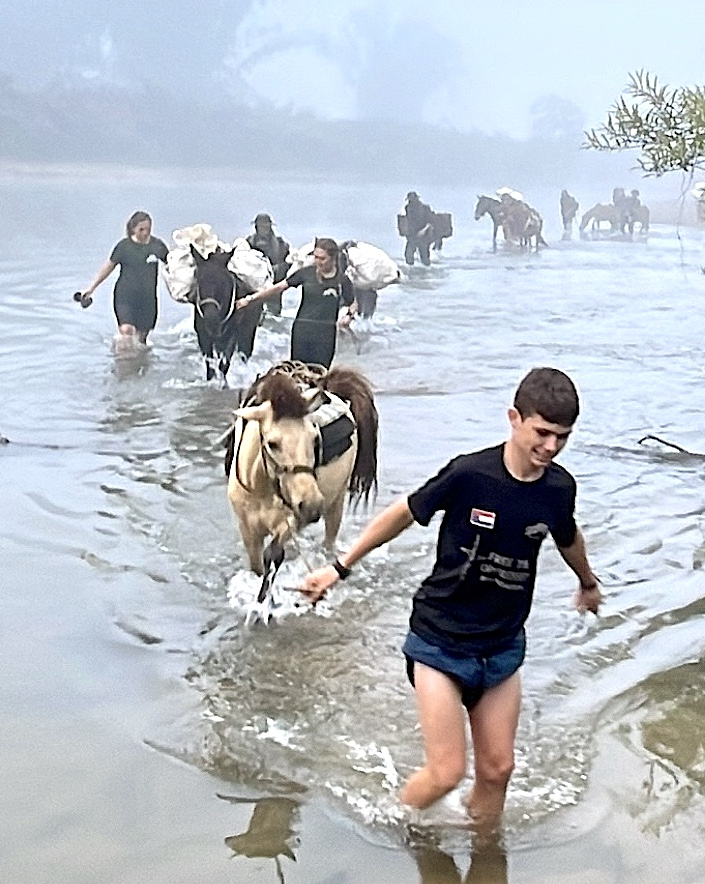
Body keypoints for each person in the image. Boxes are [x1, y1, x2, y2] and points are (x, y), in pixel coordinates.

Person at [300, 367, 602, 828]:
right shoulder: (470, 474)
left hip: (501, 647)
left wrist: (587, 581)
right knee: (446, 773)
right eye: (542, 433)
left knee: (499, 770)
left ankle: (484, 855)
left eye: (563, 437)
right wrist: (339, 568)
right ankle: (402, 829)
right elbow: (404, 511)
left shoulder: (559, 489)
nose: (551, 447)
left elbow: (567, 535)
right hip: (440, 640)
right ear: (514, 418)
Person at [237, 236, 357, 369]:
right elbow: (278, 287)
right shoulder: (306, 273)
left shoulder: (342, 281)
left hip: (326, 336)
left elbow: (353, 303)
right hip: (302, 332)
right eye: (315, 257)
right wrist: (249, 300)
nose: (317, 262)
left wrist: (349, 316)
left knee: (320, 375)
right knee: (298, 372)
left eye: (322, 258)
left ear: (333, 258)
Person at [78, 211, 169, 350]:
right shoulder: (123, 247)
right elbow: (107, 267)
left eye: (148, 229)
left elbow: (173, 266)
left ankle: (139, 366)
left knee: (141, 341)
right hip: (125, 297)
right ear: (133, 229)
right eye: (141, 229)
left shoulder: (157, 246)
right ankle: (123, 366)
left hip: (148, 300)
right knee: (127, 331)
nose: (145, 233)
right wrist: (90, 289)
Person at [246, 213, 291, 315]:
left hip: (273, 286)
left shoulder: (281, 245)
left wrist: (276, 269)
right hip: (252, 288)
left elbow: (288, 264)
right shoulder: (247, 243)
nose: (262, 229)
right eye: (260, 226)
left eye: (265, 226)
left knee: (273, 317)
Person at [401, 191, 436, 266]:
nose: (410, 201)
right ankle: (412, 272)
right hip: (412, 235)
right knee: (408, 255)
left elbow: (430, 222)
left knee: (424, 257)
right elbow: (408, 220)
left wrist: (423, 230)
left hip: (424, 235)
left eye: (412, 199)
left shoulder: (425, 208)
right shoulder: (408, 208)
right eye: (409, 200)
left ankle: (427, 273)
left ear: (416, 199)